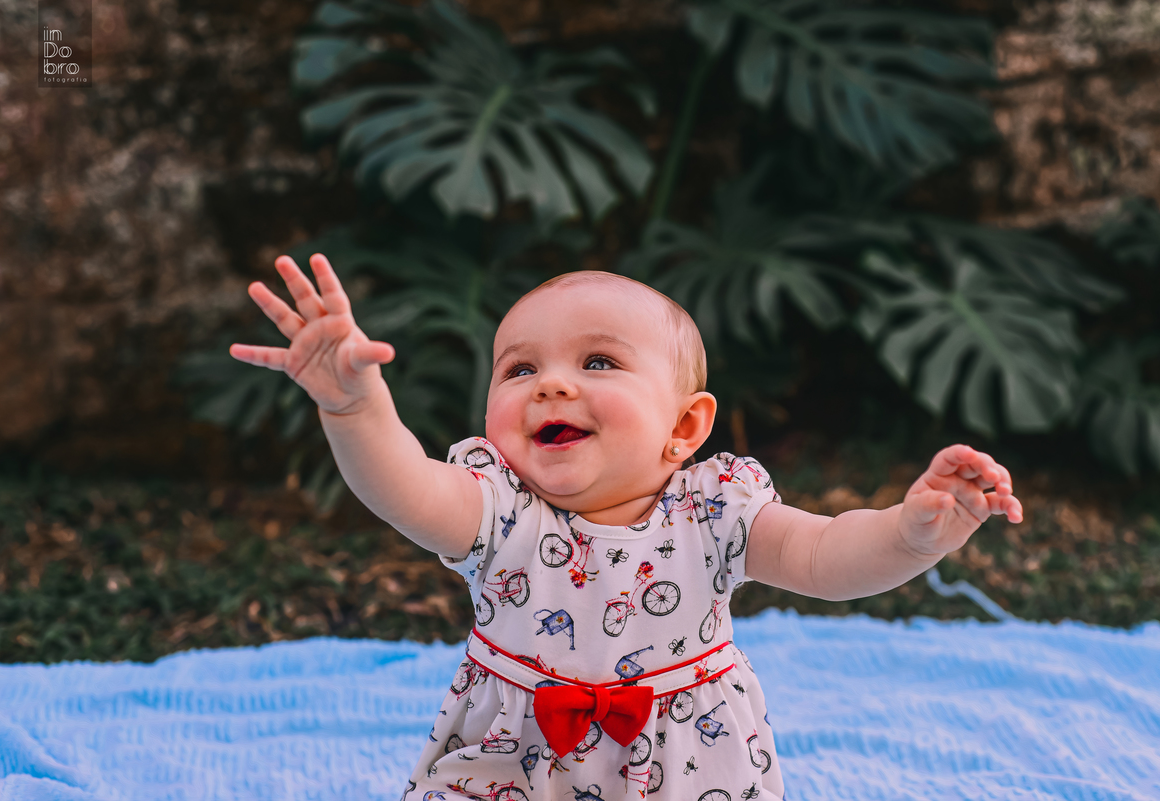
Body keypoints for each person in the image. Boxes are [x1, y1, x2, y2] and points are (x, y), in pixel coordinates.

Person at [230, 255, 1024, 800]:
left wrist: (914, 535)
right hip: (518, 760)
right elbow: (401, 487)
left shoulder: (716, 508)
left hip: (687, 761)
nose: (552, 386)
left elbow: (824, 555)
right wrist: (355, 406)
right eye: (519, 368)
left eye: (598, 362)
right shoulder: (498, 506)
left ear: (683, 429)